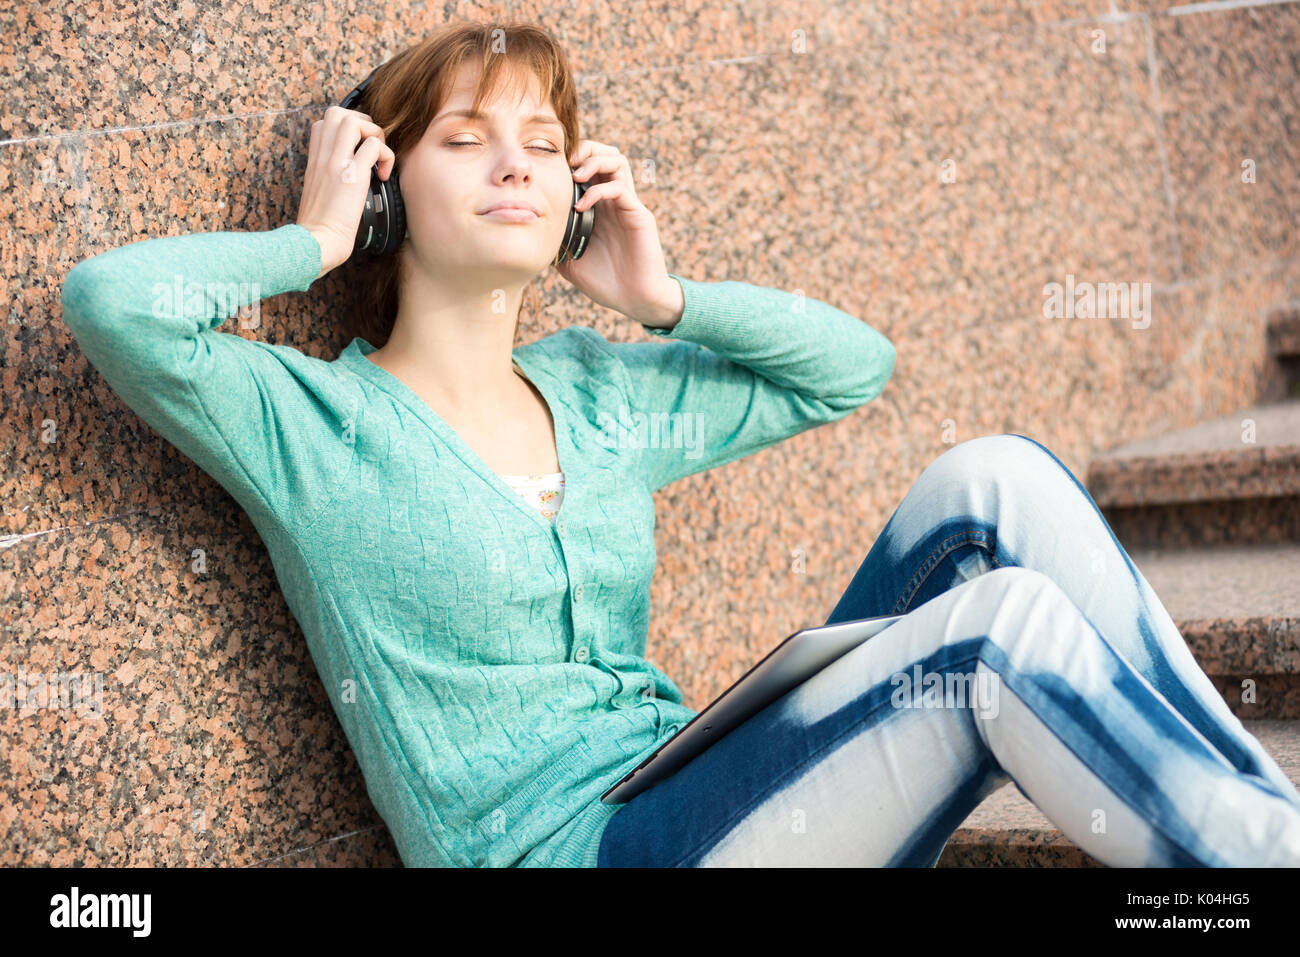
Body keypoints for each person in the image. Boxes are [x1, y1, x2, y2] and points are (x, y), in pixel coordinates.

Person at [58, 19, 1299, 868]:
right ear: (388, 186)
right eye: (465, 138)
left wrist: (663, 301)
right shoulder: (309, 422)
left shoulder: (598, 396)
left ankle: (1258, 830)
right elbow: (114, 307)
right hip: (577, 854)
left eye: (542, 145)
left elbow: (852, 371)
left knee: (997, 483)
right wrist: (315, 242)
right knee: (994, 638)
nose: (515, 166)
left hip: (701, 786)